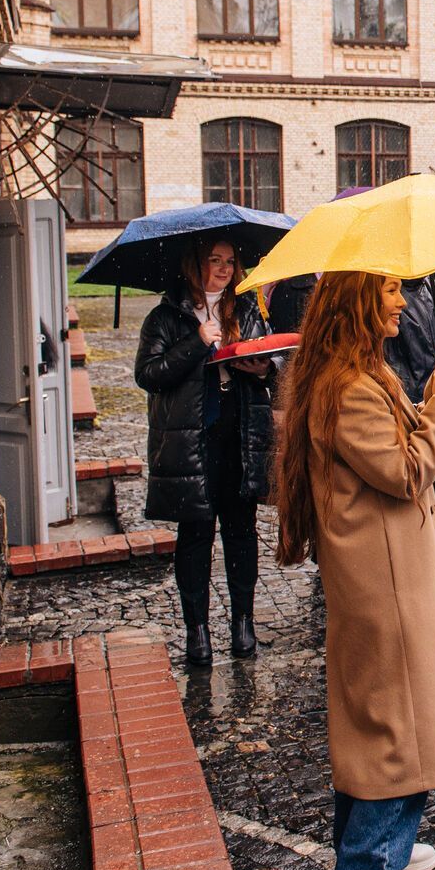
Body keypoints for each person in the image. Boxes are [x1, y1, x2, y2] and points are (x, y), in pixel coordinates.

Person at [273, 271, 435, 870]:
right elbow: (408, 470)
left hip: (386, 574)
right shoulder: (351, 386)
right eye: (387, 290)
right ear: (357, 300)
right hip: (384, 583)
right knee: (397, 727)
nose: (400, 301)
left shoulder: (356, 373)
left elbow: (396, 448)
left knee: (383, 721)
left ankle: (384, 847)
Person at [134, 238, 277, 668]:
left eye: (230, 262)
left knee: (241, 533)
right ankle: (196, 630)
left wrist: (263, 367)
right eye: (213, 261)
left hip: (238, 436)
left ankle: (243, 623)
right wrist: (197, 342)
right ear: (194, 264)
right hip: (192, 441)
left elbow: (270, 360)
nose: (222, 269)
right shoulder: (164, 317)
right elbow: (149, 375)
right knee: (195, 536)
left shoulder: (248, 311)